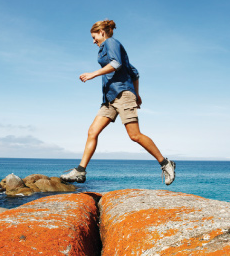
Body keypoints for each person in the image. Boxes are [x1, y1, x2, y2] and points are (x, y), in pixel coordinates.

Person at [60, 19, 176, 185]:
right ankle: (80, 171)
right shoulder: (105, 48)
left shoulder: (111, 42)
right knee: (92, 131)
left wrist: (93, 74)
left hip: (122, 94)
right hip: (109, 99)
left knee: (134, 135)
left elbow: (116, 64)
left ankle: (165, 163)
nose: (93, 41)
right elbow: (134, 72)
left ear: (102, 32)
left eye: (94, 37)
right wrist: (137, 93)